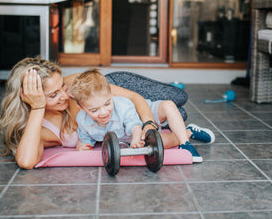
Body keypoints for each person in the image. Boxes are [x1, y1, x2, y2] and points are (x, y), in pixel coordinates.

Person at [0, 57, 208, 169]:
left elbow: (134, 98)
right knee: (179, 116)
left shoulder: (74, 86)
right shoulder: (38, 128)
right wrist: (38, 107)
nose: (64, 95)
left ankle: (175, 125)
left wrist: (148, 125)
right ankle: (186, 131)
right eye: (53, 95)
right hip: (114, 120)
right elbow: (25, 162)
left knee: (178, 99)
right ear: (29, 97)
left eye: (61, 86)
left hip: (111, 92)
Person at [69, 69, 214, 163]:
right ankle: (189, 132)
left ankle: (185, 144)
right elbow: (84, 138)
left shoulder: (122, 105)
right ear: (81, 108)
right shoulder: (82, 119)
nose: (103, 112)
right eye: (94, 110)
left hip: (141, 114)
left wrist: (137, 138)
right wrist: (82, 146)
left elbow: (135, 126)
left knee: (169, 104)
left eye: (107, 104)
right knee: (162, 142)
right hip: (132, 132)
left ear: (111, 95)